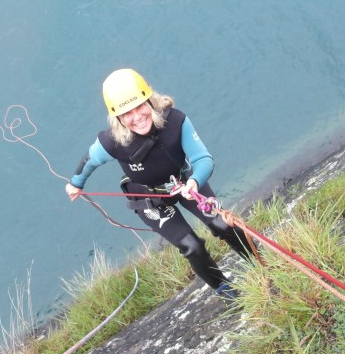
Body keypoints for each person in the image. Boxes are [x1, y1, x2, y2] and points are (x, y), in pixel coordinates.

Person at [65, 68, 254, 299]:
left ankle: (260, 262)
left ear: (149, 100)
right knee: (191, 246)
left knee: (223, 225)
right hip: (149, 199)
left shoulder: (175, 122)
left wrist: (194, 182)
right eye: (127, 113)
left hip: (186, 183)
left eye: (140, 106)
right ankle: (226, 291)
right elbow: (89, 160)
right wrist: (76, 183)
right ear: (118, 118)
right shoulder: (112, 142)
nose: (136, 117)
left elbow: (202, 159)